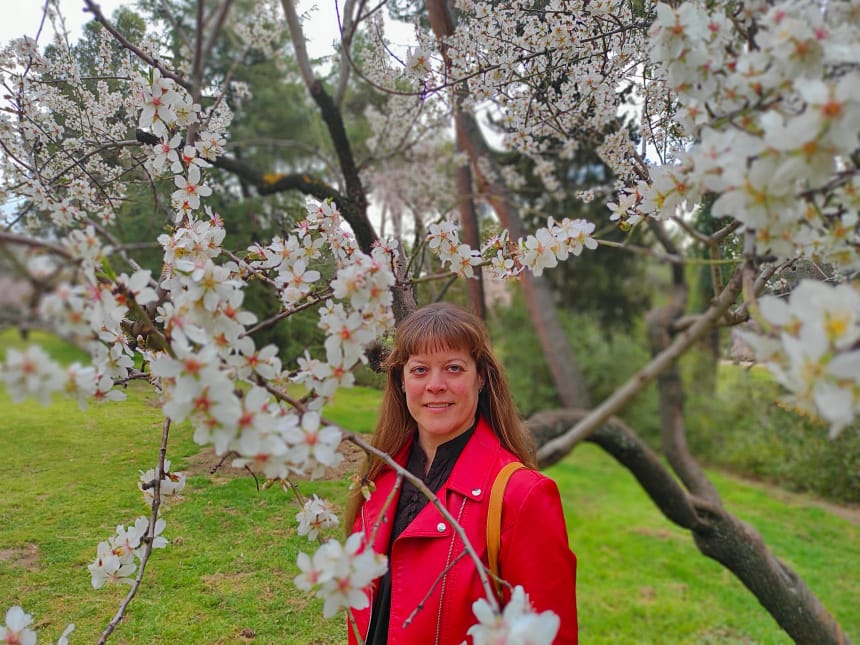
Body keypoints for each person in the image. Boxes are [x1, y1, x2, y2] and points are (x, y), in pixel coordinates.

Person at [344, 302, 578, 644]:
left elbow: (550, 637)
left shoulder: (522, 495)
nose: (435, 385)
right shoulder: (378, 477)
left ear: (481, 377)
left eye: (453, 368)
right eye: (420, 370)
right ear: (402, 381)